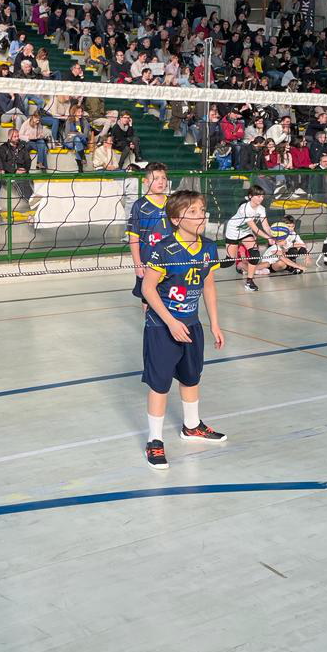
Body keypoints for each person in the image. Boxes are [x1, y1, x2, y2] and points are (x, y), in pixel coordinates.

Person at [140, 190, 225, 470]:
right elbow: (147, 288)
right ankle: (154, 441)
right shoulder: (164, 249)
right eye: (193, 212)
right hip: (162, 325)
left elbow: (208, 286)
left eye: (202, 210)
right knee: (160, 384)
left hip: (191, 323)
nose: (201, 216)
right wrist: (170, 322)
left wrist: (214, 323)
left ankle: (191, 426)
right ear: (176, 219)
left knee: (191, 377)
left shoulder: (209, 247)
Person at [127, 163, 169, 307]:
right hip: (148, 260)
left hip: (170, 260)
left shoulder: (173, 203)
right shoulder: (139, 205)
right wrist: (137, 264)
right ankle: (149, 321)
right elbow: (133, 237)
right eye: (156, 178)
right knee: (147, 296)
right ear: (145, 181)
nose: (161, 181)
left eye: (163, 178)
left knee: (169, 296)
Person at [223, 185, 276, 293]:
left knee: (255, 253)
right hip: (233, 230)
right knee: (229, 261)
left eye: (262, 196)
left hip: (245, 232)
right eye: (258, 196)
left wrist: (274, 236)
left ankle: (249, 281)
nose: (261, 198)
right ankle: (208, 265)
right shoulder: (245, 208)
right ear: (250, 196)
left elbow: (266, 226)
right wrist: (268, 237)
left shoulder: (261, 209)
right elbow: (255, 229)